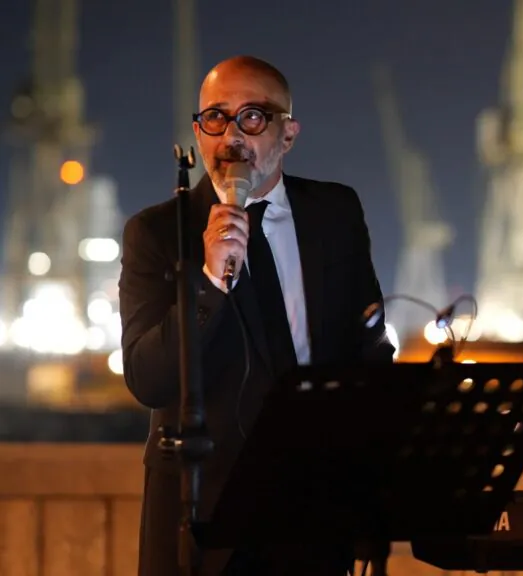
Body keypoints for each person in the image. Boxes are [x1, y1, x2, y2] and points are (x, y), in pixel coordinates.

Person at [119, 55, 394, 575]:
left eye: (251, 117)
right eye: (214, 118)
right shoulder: (157, 232)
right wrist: (209, 280)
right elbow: (150, 380)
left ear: (287, 134)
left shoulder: (334, 213)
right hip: (203, 509)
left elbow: (368, 347)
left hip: (317, 505)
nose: (230, 137)